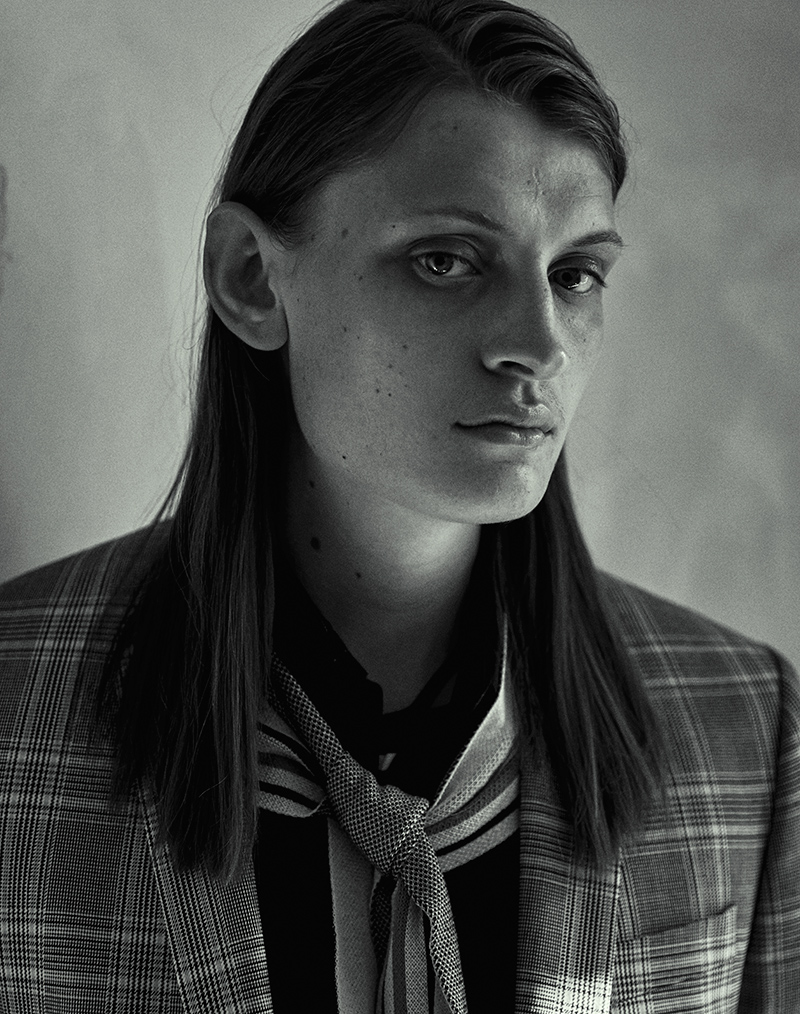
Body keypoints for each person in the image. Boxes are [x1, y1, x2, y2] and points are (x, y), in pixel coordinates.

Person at [0, 0, 797, 1010]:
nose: (539, 345)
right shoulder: (16, 704)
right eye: (444, 260)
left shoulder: (743, 722)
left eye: (574, 274)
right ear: (251, 280)